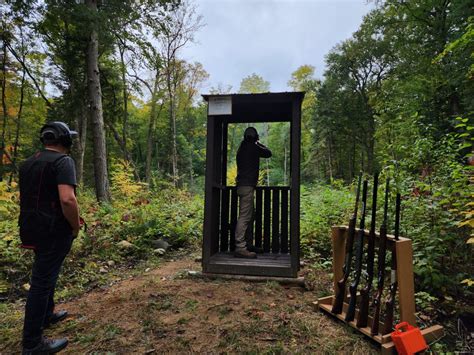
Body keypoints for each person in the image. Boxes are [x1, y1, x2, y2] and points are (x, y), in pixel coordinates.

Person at [19, 121, 80, 354]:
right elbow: (67, 199)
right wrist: (74, 226)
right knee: (42, 282)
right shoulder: (63, 162)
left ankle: (46, 316)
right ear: (65, 139)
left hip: (32, 227)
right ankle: (32, 343)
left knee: (46, 273)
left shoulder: (28, 163)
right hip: (54, 229)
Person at [234, 127, 272, 258]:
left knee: (249, 216)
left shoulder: (241, 148)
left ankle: (247, 244)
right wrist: (258, 142)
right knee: (245, 217)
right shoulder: (254, 147)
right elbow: (268, 153)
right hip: (247, 186)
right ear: (255, 137)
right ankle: (240, 247)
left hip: (242, 186)